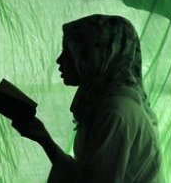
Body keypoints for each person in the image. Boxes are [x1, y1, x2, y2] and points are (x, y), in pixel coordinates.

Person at [11, 14, 163, 182]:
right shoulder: (105, 102)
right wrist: (44, 139)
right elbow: (87, 174)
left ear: (97, 56)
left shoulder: (115, 111)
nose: (59, 60)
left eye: (70, 52)